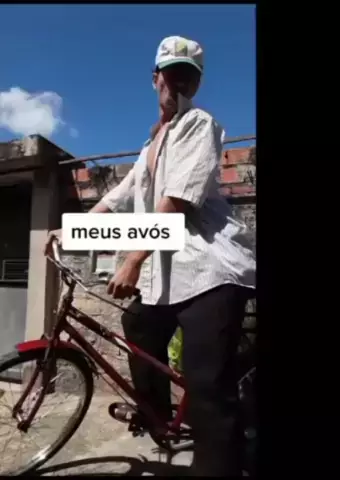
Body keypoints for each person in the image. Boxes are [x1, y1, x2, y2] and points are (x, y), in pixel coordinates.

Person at [45, 36, 256, 476]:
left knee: (207, 387)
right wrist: (71, 230)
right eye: (171, 73)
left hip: (210, 273)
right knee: (137, 325)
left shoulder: (199, 124)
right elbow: (119, 197)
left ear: (196, 84)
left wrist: (132, 259)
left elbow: (176, 201)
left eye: (188, 76)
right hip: (169, 279)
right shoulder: (151, 145)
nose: (178, 83)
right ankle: (157, 415)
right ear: (155, 78)